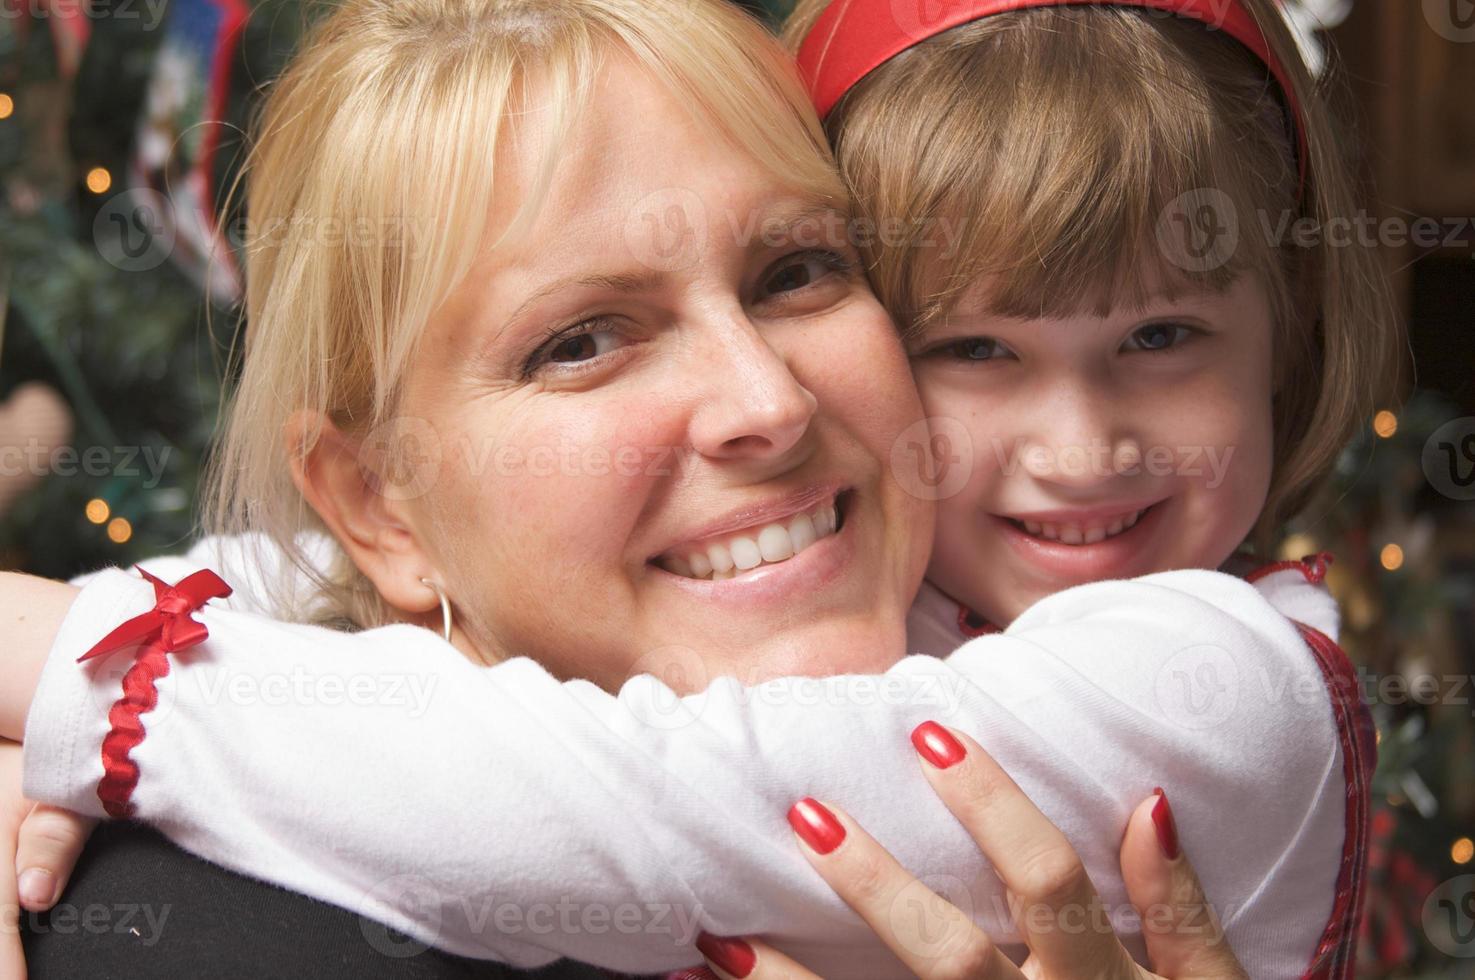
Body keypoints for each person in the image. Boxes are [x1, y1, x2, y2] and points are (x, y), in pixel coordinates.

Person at [2, 0, 1392, 976]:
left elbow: (612, 803)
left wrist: (80, 676)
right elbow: (277, 576)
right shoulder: (203, 924)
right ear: (381, 504)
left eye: (798, 270)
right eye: (582, 339)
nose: (771, 402)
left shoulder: (1218, 678)